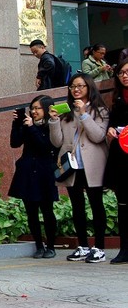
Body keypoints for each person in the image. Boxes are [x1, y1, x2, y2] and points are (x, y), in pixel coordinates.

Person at [48, 73, 109, 263]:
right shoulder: (65, 112)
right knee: (77, 206)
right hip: (71, 166)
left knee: (96, 204)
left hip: (93, 166)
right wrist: (54, 121)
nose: (76, 90)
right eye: (73, 86)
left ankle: (99, 247)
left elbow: (98, 136)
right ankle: (82, 246)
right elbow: (56, 141)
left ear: (89, 88)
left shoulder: (100, 111)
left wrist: (83, 114)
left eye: (81, 86)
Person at [8, 95, 58, 259]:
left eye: (38, 108)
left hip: (44, 172)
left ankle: (50, 246)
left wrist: (31, 128)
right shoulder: (27, 124)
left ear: (46, 108)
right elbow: (15, 143)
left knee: (47, 210)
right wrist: (16, 124)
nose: (34, 111)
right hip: (28, 172)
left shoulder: (51, 125)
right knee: (31, 211)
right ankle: (39, 245)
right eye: (32, 108)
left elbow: (45, 147)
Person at [104, 59, 128, 264]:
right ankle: (124, 248)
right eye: (121, 73)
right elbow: (112, 123)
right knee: (123, 204)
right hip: (121, 156)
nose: (125, 76)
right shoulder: (118, 99)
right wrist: (111, 130)